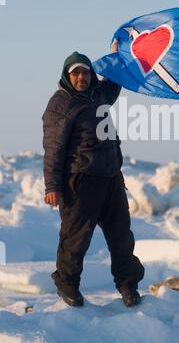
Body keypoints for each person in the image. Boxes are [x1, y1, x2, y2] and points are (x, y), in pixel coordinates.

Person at [42, 47, 144, 307]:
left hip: (111, 178)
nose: (81, 77)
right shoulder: (60, 104)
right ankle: (67, 285)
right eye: (76, 73)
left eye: (85, 72)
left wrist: (118, 54)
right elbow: (53, 149)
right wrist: (52, 185)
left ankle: (127, 285)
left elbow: (115, 82)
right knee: (75, 238)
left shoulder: (98, 95)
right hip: (80, 181)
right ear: (67, 76)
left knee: (121, 236)